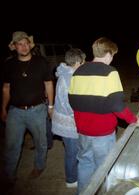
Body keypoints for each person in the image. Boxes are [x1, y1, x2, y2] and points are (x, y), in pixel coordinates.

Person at [68, 37, 138, 193]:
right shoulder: (110, 72)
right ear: (108, 54)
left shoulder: (78, 71)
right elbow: (117, 105)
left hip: (83, 131)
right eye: (112, 55)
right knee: (105, 168)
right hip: (103, 133)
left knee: (85, 163)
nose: (112, 58)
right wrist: (133, 119)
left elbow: (72, 99)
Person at [1, 31, 54, 184]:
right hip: (15, 111)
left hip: (37, 110)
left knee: (41, 142)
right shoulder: (9, 64)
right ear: (14, 47)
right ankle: (9, 175)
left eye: (26, 43)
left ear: (30, 45)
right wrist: (3, 108)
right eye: (19, 44)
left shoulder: (41, 62)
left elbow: (48, 84)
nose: (23, 47)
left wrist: (50, 106)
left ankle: (39, 165)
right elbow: (6, 88)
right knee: (11, 145)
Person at [51, 48, 86, 188]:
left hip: (67, 121)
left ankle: (74, 176)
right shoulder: (69, 78)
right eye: (83, 61)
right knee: (72, 153)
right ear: (78, 62)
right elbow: (69, 103)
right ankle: (71, 180)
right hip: (69, 123)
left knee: (73, 151)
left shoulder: (66, 74)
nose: (84, 63)